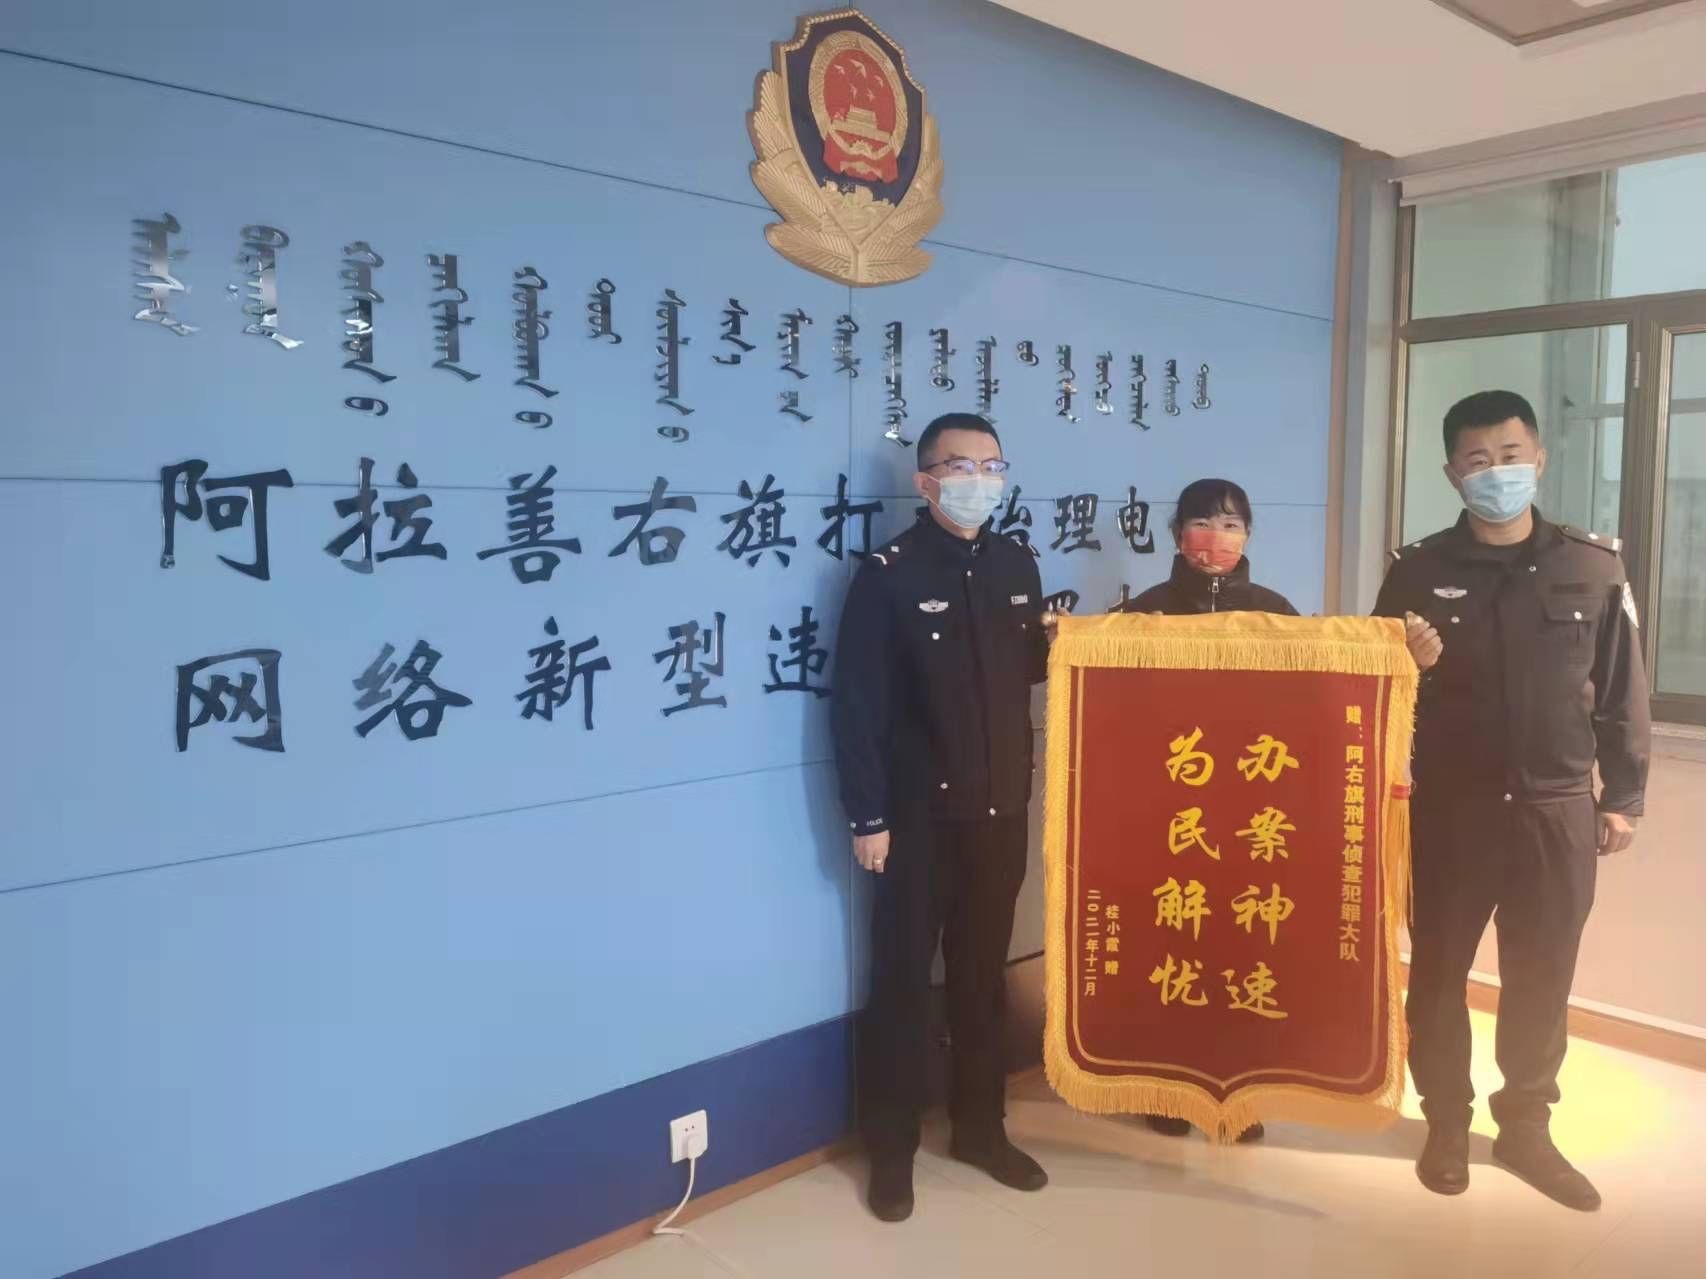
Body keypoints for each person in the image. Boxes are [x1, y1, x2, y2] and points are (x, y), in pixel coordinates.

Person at [1375, 389, 1649, 1212]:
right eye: (1478, 459)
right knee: (1438, 974)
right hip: (1450, 811)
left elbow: (1621, 688)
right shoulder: (1416, 570)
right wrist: (1408, 664)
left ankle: (1526, 1126)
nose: (1497, 471)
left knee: (1542, 975)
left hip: (1554, 808)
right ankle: (1446, 1121)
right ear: (1452, 473)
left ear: (1539, 458)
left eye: (1511, 454)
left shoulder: (1593, 565)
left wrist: (1623, 794)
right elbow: (1375, 695)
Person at [832, 412, 1050, 1223]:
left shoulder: (1016, 562)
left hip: (1000, 813)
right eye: (961, 466)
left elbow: (1028, 669)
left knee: (981, 980)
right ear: (926, 481)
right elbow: (857, 707)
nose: (979, 481)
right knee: (899, 983)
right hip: (916, 821)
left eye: (992, 466)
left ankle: (981, 1130)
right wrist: (868, 817)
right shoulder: (887, 574)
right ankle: (891, 1152)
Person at [1113, 478, 1293, 1143]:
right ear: (1176, 533)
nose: (1216, 537)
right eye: (1202, 522)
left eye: (1231, 524)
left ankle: (1237, 1092)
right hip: (1170, 814)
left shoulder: (1276, 614)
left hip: (1248, 815)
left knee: (1239, 950)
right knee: (1169, 951)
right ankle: (1166, 1086)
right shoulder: (1143, 614)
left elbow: (1307, 710)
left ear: (1249, 535)